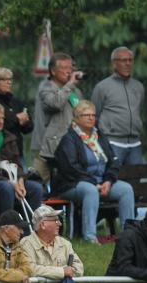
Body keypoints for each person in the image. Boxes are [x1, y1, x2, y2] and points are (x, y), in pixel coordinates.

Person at [52, 100, 135, 243]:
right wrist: (94, 183)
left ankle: (129, 235)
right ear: (76, 118)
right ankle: (90, 237)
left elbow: (113, 161)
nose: (91, 118)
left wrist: (108, 181)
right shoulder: (69, 139)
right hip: (73, 184)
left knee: (126, 189)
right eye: (86, 115)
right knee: (90, 190)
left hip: (101, 183)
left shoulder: (99, 137)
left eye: (93, 115)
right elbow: (70, 168)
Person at [34, 52, 84, 184]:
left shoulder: (75, 91)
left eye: (71, 68)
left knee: (65, 185)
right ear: (53, 71)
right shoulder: (46, 87)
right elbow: (55, 103)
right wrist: (70, 84)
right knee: (39, 184)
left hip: (68, 147)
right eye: (65, 68)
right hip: (45, 148)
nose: (69, 72)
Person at [91, 46, 145, 166]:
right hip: (112, 143)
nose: (128, 63)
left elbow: (138, 110)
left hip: (135, 143)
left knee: (136, 182)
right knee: (111, 180)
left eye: (130, 60)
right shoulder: (102, 87)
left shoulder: (139, 86)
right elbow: (95, 115)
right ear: (114, 64)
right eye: (123, 60)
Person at [20, 205, 84, 283]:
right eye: (55, 220)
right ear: (43, 225)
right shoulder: (26, 244)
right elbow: (29, 269)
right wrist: (62, 272)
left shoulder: (65, 243)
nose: (60, 224)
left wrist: (65, 272)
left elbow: (79, 268)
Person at [0, 67, 33, 162]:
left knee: (22, 176)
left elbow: (29, 128)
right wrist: (17, 119)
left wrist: (25, 122)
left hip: (18, 152)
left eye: (10, 79)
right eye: (4, 80)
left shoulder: (15, 101)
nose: (9, 82)